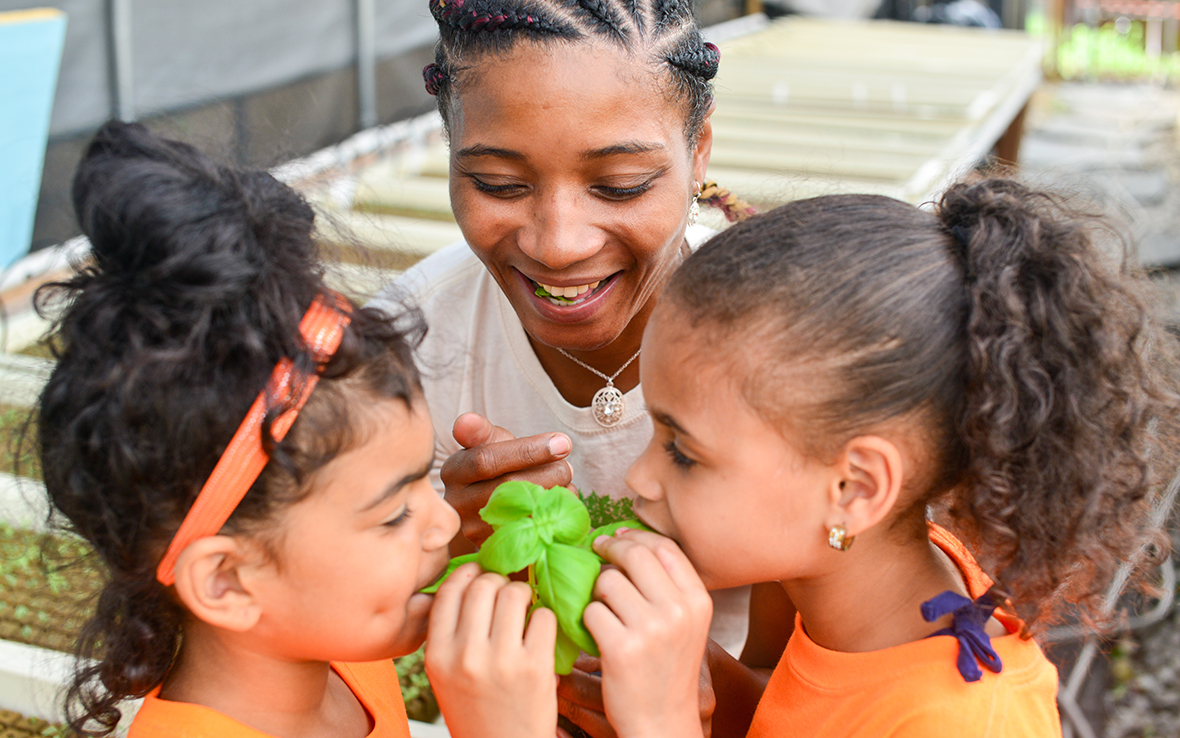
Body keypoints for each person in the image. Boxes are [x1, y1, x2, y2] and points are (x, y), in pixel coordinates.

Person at [586, 177, 1180, 737]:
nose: (639, 476)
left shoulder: (963, 721)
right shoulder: (814, 565)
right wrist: (686, 672)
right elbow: (781, 711)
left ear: (856, 489)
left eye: (682, 452)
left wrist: (659, 722)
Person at [37, 121, 559, 738]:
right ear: (226, 581)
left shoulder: (339, 660)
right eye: (394, 513)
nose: (447, 523)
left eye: (424, 481)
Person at [375, 0, 779, 732]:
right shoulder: (410, 347)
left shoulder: (788, 347)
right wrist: (433, 540)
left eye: (620, 184)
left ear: (699, 152)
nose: (558, 243)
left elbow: (836, 678)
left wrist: (695, 697)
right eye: (498, 184)